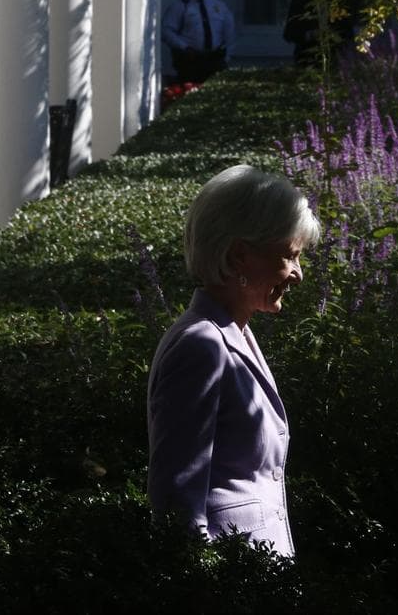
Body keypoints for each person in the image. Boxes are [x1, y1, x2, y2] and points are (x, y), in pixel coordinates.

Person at [147, 165, 321, 557]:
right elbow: (177, 501)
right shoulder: (201, 346)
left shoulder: (234, 333)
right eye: (289, 256)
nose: (298, 275)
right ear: (240, 255)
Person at [162, 0, 236, 83]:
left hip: (215, 61)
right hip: (191, 62)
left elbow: (229, 33)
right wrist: (184, 47)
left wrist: (226, 57)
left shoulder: (219, 6)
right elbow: (166, 32)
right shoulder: (180, 7)